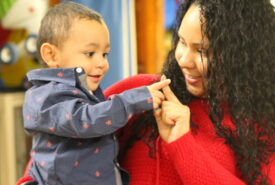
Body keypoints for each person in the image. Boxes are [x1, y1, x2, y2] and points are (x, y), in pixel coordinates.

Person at [18, 0, 275, 185]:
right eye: (182, 43)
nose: (183, 59)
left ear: (245, 56)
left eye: (203, 51)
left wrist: (181, 144)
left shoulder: (271, 129)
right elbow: (51, 158)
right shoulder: (140, 93)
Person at [19, 2, 170, 185]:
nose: (102, 63)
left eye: (105, 54)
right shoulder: (45, 98)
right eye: (90, 53)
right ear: (51, 55)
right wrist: (133, 100)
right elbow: (85, 120)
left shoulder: (82, 93)